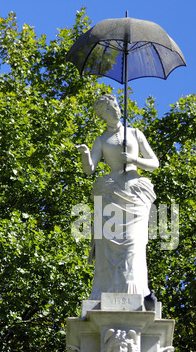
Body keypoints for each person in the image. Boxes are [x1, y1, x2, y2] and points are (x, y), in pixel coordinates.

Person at [77, 94, 159, 300]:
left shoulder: (134, 133)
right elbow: (90, 170)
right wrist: (85, 154)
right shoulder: (102, 139)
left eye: (115, 106)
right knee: (107, 248)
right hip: (111, 193)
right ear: (102, 115)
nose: (115, 110)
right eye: (109, 109)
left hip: (134, 191)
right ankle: (106, 292)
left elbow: (154, 163)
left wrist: (133, 159)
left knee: (134, 242)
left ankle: (135, 291)